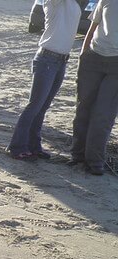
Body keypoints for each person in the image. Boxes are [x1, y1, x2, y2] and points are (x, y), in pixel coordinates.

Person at [7, 0, 84, 162]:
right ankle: (17, 146)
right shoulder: (55, 2)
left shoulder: (75, 4)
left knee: (42, 107)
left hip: (61, 61)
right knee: (35, 105)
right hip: (47, 58)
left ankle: (34, 146)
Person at [71, 0, 118, 176]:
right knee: (83, 108)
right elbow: (93, 27)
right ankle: (77, 156)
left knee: (103, 115)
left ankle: (95, 160)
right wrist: (83, 55)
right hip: (93, 59)